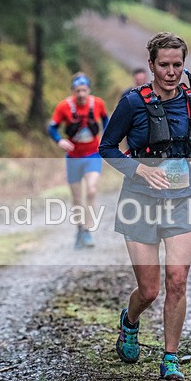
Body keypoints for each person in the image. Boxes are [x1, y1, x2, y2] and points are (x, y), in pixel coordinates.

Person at [99, 32, 191, 381]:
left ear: (183, 65)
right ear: (152, 65)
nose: (171, 71)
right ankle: (130, 322)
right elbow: (107, 147)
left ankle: (170, 358)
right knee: (150, 290)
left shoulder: (190, 100)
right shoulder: (132, 103)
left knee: (178, 281)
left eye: (177, 64)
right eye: (164, 65)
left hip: (181, 199)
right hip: (139, 202)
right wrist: (138, 168)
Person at [48, 73, 109, 249]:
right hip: (73, 157)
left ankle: (88, 230)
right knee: (76, 197)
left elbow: (105, 119)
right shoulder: (64, 107)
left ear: (88, 90)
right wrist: (60, 140)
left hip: (92, 155)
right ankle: (80, 229)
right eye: (77, 90)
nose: (81, 94)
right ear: (73, 91)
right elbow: (52, 127)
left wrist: (108, 135)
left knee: (91, 190)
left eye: (84, 90)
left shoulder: (97, 103)